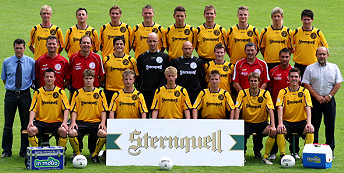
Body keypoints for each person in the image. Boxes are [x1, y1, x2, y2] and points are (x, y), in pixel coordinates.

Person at [303, 47, 342, 155]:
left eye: (324, 54)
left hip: (329, 101)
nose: (322, 56)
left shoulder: (334, 67)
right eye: (320, 54)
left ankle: (330, 150)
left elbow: (338, 83)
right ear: (316, 55)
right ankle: (313, 149)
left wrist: (329, 96)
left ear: (327, 55)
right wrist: (317, 96)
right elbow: (306, 83)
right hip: (315, 101)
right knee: (314, 126)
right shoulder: (310, 68)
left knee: (330, 126)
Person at [1, 38, 35, 158]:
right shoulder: (7, 62)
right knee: (7, 124)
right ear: (14, 48)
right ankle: (6, 151)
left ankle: (24, 151)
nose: (19, 50)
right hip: (10, 94)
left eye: (21, 48)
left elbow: (33, 79)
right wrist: (13, 89)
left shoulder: (31, 62)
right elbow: (4, 79)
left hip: (25, 95)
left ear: (24, 48)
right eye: (17, 48)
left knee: (25, 124)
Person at [234, 72, 276, 164]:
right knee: (241, 132)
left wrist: (273, 126)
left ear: (259, 82)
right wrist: (236, 124)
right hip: (247, 122)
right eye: (252, 81)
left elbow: (271, 110)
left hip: (261, 123)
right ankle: (242, 154)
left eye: (255, 81)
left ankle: (264, 156)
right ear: (249, 82)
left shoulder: (265, 93)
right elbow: (237, 109)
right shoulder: (243, 93)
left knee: (272, 132)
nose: (253, 83)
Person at [68, 69, 108, 163]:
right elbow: (74, 110)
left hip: (95, 122)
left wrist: (103, 122)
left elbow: (103, 110)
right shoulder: (77, 93)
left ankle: (95, 155)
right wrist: (73, 122)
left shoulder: (100, 93)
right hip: (81, 122)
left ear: (94, 79)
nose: (88, 80)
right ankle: (78, 154)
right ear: (83, 79)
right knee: (72, 132)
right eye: (86, 78)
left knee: (103, 133)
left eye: (90, 78)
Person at [276, 68, 314, 159]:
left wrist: (309, 123)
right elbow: (279, 108)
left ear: (299, 78)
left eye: (296, 77)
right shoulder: (283, 92)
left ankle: (307, 156)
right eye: (292, 76)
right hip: (287, 122)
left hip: (301, 122)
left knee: (310, 130)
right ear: (288, 78)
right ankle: (283, 156)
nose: (294, 79)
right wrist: (280, 123)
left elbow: (308, 107)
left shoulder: (305, 91)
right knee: (280, 130)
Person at [27, 69, 69, 150]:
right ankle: (36, 152)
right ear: (44, 78)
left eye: (51, 77)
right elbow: (33, 109)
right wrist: (31, 122)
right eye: (47, 77)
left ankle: (60, 154)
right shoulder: (38, 92)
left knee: (63, 131)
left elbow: (66, 109)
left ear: (54, 78)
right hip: (41, 122)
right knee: (31, 130)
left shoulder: (60, 92)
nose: (49, 79)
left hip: (56, 122)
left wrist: (64, 122)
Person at [267, 48, 293, 159]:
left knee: (292, 129)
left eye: (287, 57)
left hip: (291, 106)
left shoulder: (293, 72)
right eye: (282, 57)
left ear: (290, 57)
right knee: (276, 128)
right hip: (276, 106)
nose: (284, 59)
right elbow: (270, 88)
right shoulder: (273, 71)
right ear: (279, 57)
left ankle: (294, 151)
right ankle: (273, 152)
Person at [136, 32, 170, 113]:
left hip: (160, 92)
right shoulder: (142, 57)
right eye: (150, 41)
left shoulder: (165, 57)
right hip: (146, 92)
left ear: (158, 42)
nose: (152, 44)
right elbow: (139, 75)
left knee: (160, 115)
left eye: (154, 41)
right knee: (145, 115)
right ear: (147, 41)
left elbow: (168, 75)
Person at [292, 9, 328, 77]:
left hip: (313, 65)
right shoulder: (296, 32)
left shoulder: (317, 33)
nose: (306, 22)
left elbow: (325, 48)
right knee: (299, 86)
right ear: (301, 19)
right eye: (304, 19)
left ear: (312, 19)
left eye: (308, 19)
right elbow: (290, 46)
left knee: (313, 86)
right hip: (299, 65)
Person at [103, 36, 138, 105]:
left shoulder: (131, 60)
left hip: (125, 91)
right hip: (110, 91)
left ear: (124, 46)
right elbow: (103, 75)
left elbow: (136, 76)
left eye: (121, 44)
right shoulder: (106, 59)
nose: (119, 46)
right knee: (110, 113)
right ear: (113, 46)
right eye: (117, 44)